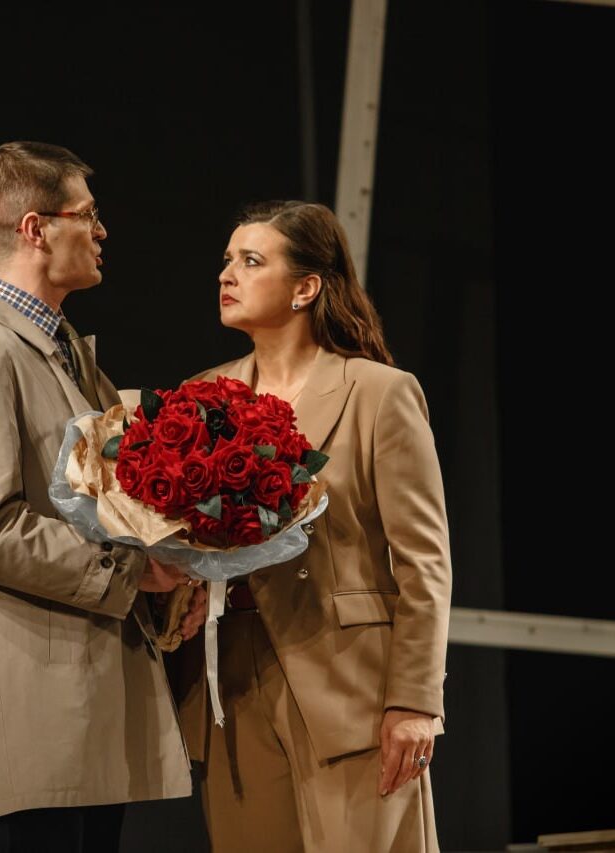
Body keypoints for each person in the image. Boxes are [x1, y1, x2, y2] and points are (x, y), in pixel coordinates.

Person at [0, 141, 203, 853]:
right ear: (35, 229)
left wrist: (173, 581)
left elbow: (106, 510)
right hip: (38, 711)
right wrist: (132, 571)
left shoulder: (63, 354)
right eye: (87, 215)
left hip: (86, 704)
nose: (102, 231)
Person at [170, 200, 453, 852]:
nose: (227, 275)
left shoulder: (377, 392)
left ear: (306, 287)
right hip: (232, 682)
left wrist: (415, 700)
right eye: (227, 260)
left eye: (251, 261)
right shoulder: (200, 397)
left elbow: (425, 560)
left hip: (349, 686)